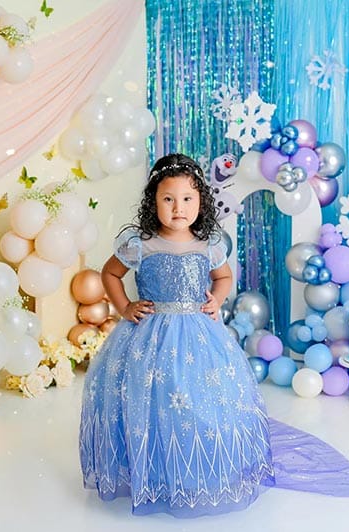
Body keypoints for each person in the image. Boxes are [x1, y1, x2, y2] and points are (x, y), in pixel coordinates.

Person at [79, 153, 275, 517]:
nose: (178, 208)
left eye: (187, 198)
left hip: (197, 334)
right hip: (148, 336)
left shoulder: (207, 243)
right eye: (168, 199)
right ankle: (155, 471)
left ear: (201, 201)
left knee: (197, 400)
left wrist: (216, 300)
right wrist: (124, 306)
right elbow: (110, 274)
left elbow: (223, 277)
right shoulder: (142, 243)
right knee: (154, 401)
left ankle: (194, 470)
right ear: (153, 201)